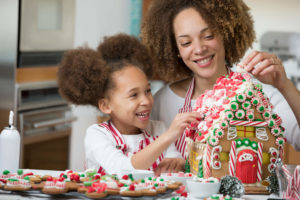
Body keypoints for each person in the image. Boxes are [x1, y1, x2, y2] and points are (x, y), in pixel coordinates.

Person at [141, 0, 300, 154]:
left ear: (226, 33)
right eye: (186, 43)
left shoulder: (259, 95)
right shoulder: (162, 101)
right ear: (175, 50)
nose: (199, 49)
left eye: (208, 36)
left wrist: (285, 85)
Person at [57, 33, 200, 175]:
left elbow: (173, 164)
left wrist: (180, 164)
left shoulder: (158, 129)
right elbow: (122, 170)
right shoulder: (97, 135)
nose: (146, 100)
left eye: (148, 91)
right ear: (106, 106)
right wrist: (169, 136)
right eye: (133, 95)